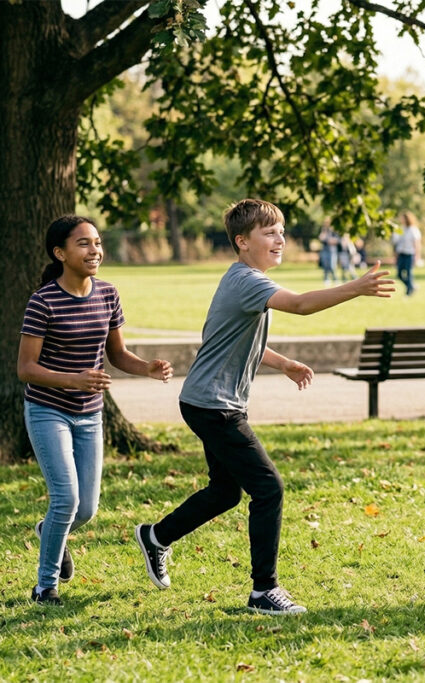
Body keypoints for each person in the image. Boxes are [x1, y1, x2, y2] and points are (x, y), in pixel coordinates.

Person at [133, 199, 394, 615]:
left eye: (282, 231)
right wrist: (355, 288)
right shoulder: (246, 281)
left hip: (207, 401)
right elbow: (301, 305)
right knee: (268, 488)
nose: (280, 239)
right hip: (214, 406)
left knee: (224, 492)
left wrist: (284, 362)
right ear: (242, 241)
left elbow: (238, 339)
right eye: (269, 232)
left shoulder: (244, 280)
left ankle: (155, 537)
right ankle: (263, 591)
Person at [18, 215, 174, 606]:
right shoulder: (43, 301)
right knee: (66, 500)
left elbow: (117, 354)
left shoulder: (108, 294)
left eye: (98, 242)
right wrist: (74, 380)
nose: (95, 250)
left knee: (85, 510)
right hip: (48, 409)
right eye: (84, 244)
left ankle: (48, 530)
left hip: (90, 413)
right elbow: (25, 368)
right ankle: (44, 586)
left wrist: (147, 369)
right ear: (60, 253)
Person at [392, 211, 421, 296]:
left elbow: (417, 243)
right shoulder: (400, 229)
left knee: (408, 273)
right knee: (399, 274)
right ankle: (412, 286)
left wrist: (417, 255)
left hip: (410, 254)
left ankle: (409, 291)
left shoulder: (413, 230)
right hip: (401, 254)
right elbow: (395, 243)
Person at [317, 222, 340, 286]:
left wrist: (329, 240)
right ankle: (326, 279)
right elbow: (321, 238)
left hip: (332, 251)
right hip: (325, 251)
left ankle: (335, 279)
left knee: (332, 266)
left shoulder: (334, 232)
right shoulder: (324, 231)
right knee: (325, 266)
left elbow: (337, 240)